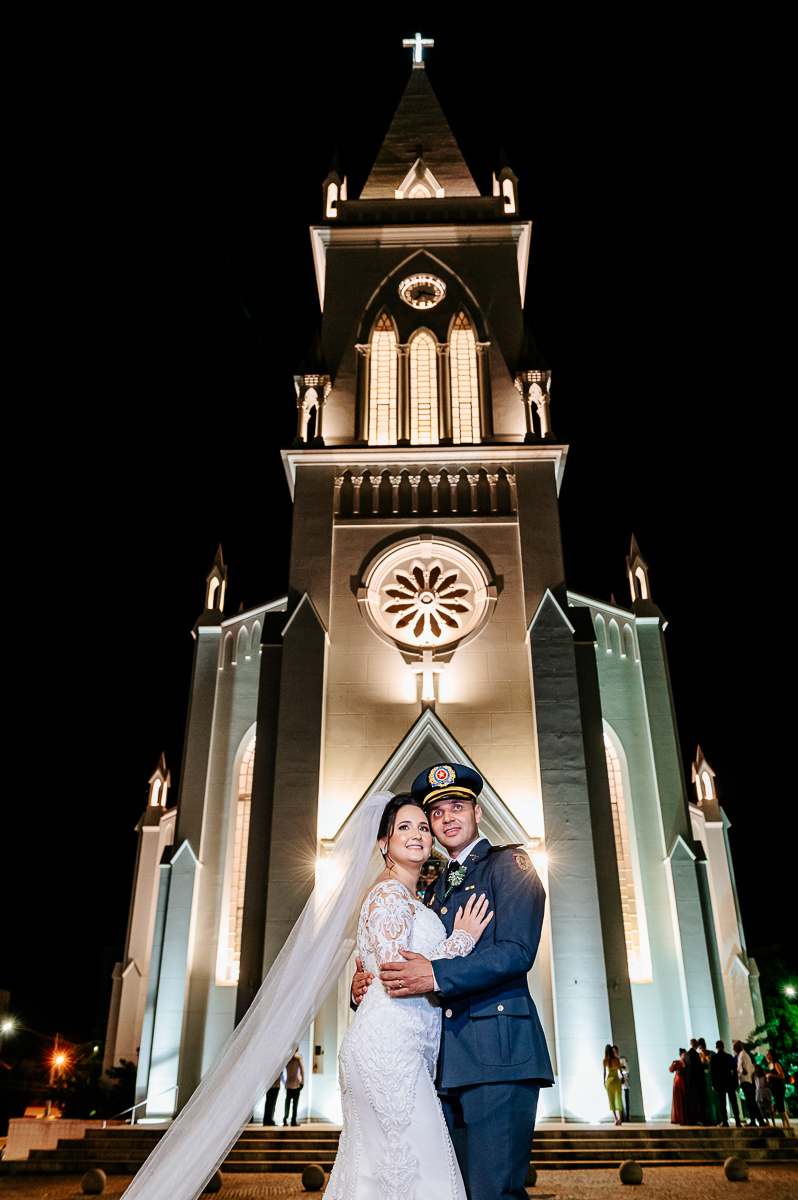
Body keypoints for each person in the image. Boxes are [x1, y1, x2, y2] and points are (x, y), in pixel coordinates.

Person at [353, 762, 554, 1200]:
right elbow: (405, 949)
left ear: (477, 812)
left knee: (493, 1191)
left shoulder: (510, 866)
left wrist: (434, 973)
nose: (446, 818)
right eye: (437, 813)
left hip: (498, 1053)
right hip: (444, 1064)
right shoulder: (431, 887)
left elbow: (516, 951)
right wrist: (366, 981)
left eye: (457, 807)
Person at [327, 792, 493, 1200]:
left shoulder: (412, 896)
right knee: (424, 1176)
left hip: (398, 1046)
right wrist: (461, 940)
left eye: (423, 827)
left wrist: (362, 984)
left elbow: (379, 969)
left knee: (379, 1177)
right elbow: (397, 973)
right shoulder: (388, 894)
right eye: (404, 827)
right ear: (384, 842)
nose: (418, 834)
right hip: (390, 1053)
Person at [710, 1040, 742, 1127]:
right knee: (733, 1102)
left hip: (720, 1082)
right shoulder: (729, 1056)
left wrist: (714, 1084)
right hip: (729, 1081)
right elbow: (734, 1070)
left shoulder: (714, 1058)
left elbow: (713, 1072)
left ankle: (725, 1121)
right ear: (723, 1047)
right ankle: (737, 1120)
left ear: (716, 1047)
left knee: (722, 1103)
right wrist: (736, 1083)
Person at [734, 1040, 763, 1126]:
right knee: (751, 1102)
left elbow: (742, 1068)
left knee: (750, 1102)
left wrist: (742, 1071)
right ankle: (758, 1120)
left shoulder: (742, 1055)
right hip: (748, 1080)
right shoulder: (745, 1055)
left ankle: (755, 1120)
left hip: (745, 1080)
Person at [765, 1049, 792, 1131]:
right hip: (773, 1087)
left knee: (780, 1104)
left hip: (779, 1087)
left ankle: (787, 1122)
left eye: (768, 1054)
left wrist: (771, 1075)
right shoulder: (769, 1065)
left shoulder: (776, 1064)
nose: (767, 1056)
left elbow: (781, 1075)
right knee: (778, 1104)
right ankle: (784, 1122)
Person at [697, 1038, 721, 1125]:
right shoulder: (699, 1055)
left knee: (714, 1099)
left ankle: (717, 1118)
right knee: (707, 1100)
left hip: (712, 1078)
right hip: (704, 1079)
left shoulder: (711, 1054)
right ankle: (709, 1118)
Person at [669, 1050, 696, 1125]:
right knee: (679, 1099)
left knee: (685, 1099)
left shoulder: (687, 1062)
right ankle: (679, 1118)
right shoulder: (677, 1062)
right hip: (678, 1082)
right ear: (681, 1055)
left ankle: (686, 1118)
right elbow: (671, 1069)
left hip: (685, 1082)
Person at [281, 1048, 304, 1127]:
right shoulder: (298, 1059)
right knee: (294, 1104)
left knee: (288, 1103)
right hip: (296, 1084)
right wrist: (302, 1082)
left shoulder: (287, 1059)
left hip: (289, 1084)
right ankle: (293, 1120)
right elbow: (302, 1071)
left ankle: (285, 1118)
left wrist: (284, 1082)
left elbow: (281, 1072)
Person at [686, 1038, 706, 1124]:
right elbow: (699, 1068)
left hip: (690, 1081)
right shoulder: (695, 1054)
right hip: (698, 1080)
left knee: (693, 1101)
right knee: (701, 1100)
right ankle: (701, 1119)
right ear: (696, 1045)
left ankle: (694, 1119)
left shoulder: (687, 1055)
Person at [604, 1045, 624, 1125]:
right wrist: (622, 1077)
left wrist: (604, 1082)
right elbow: (620, 1070)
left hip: (609, 1080)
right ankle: (620, 1118)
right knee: (618, 1098)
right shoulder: (616, 1060)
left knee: (611, 1099)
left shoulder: (605, 1061)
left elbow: (604, 1073)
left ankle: (615, 1118)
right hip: (616, 1080)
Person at [613, 1045, 630, 1123]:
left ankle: (626, 1117)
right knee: (618, 1100)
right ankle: (620, 1117)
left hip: (623, 1083)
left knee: (625, 1100)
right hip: (616, 1082)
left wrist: (621, 1070)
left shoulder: (622, 1060)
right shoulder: (612, 1061)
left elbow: (627, 1070)